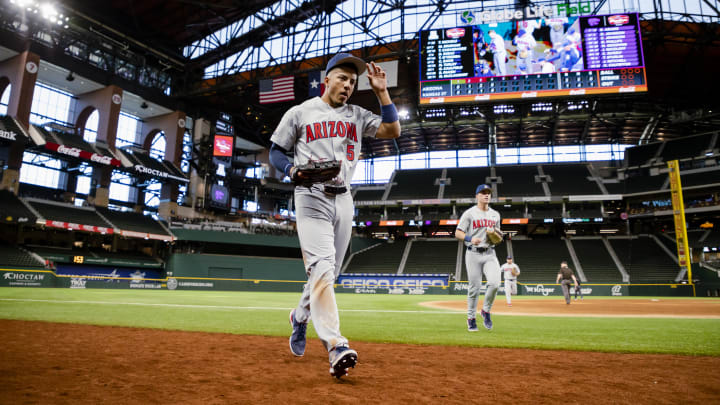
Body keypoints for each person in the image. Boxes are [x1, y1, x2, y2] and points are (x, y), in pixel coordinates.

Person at [268, 53, 401, 378]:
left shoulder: (356, 114)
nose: (348, 85)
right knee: (323, 269)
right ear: (326, 80)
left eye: (353, 82)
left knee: (328, 274)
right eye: (343, 78)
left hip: (344, 200)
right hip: (310, 195)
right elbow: (276, 151)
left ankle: (299, 317)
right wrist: (291, 171)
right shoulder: (300, 112)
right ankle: (336, 345)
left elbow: (392, 130)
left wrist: (382, 92)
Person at [455, 184, 502, 331]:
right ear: (477, 196)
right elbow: (458, 233)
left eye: (488, 193)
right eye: (483, 193)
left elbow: (499, 238)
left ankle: (486, 311)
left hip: (489, 253)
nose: (486, 195)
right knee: (474, 288)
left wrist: (494, 235)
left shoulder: (495, 214)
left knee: (495, 283)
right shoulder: (469, 213)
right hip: (473, 253)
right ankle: (471, 318)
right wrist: (469, 238)